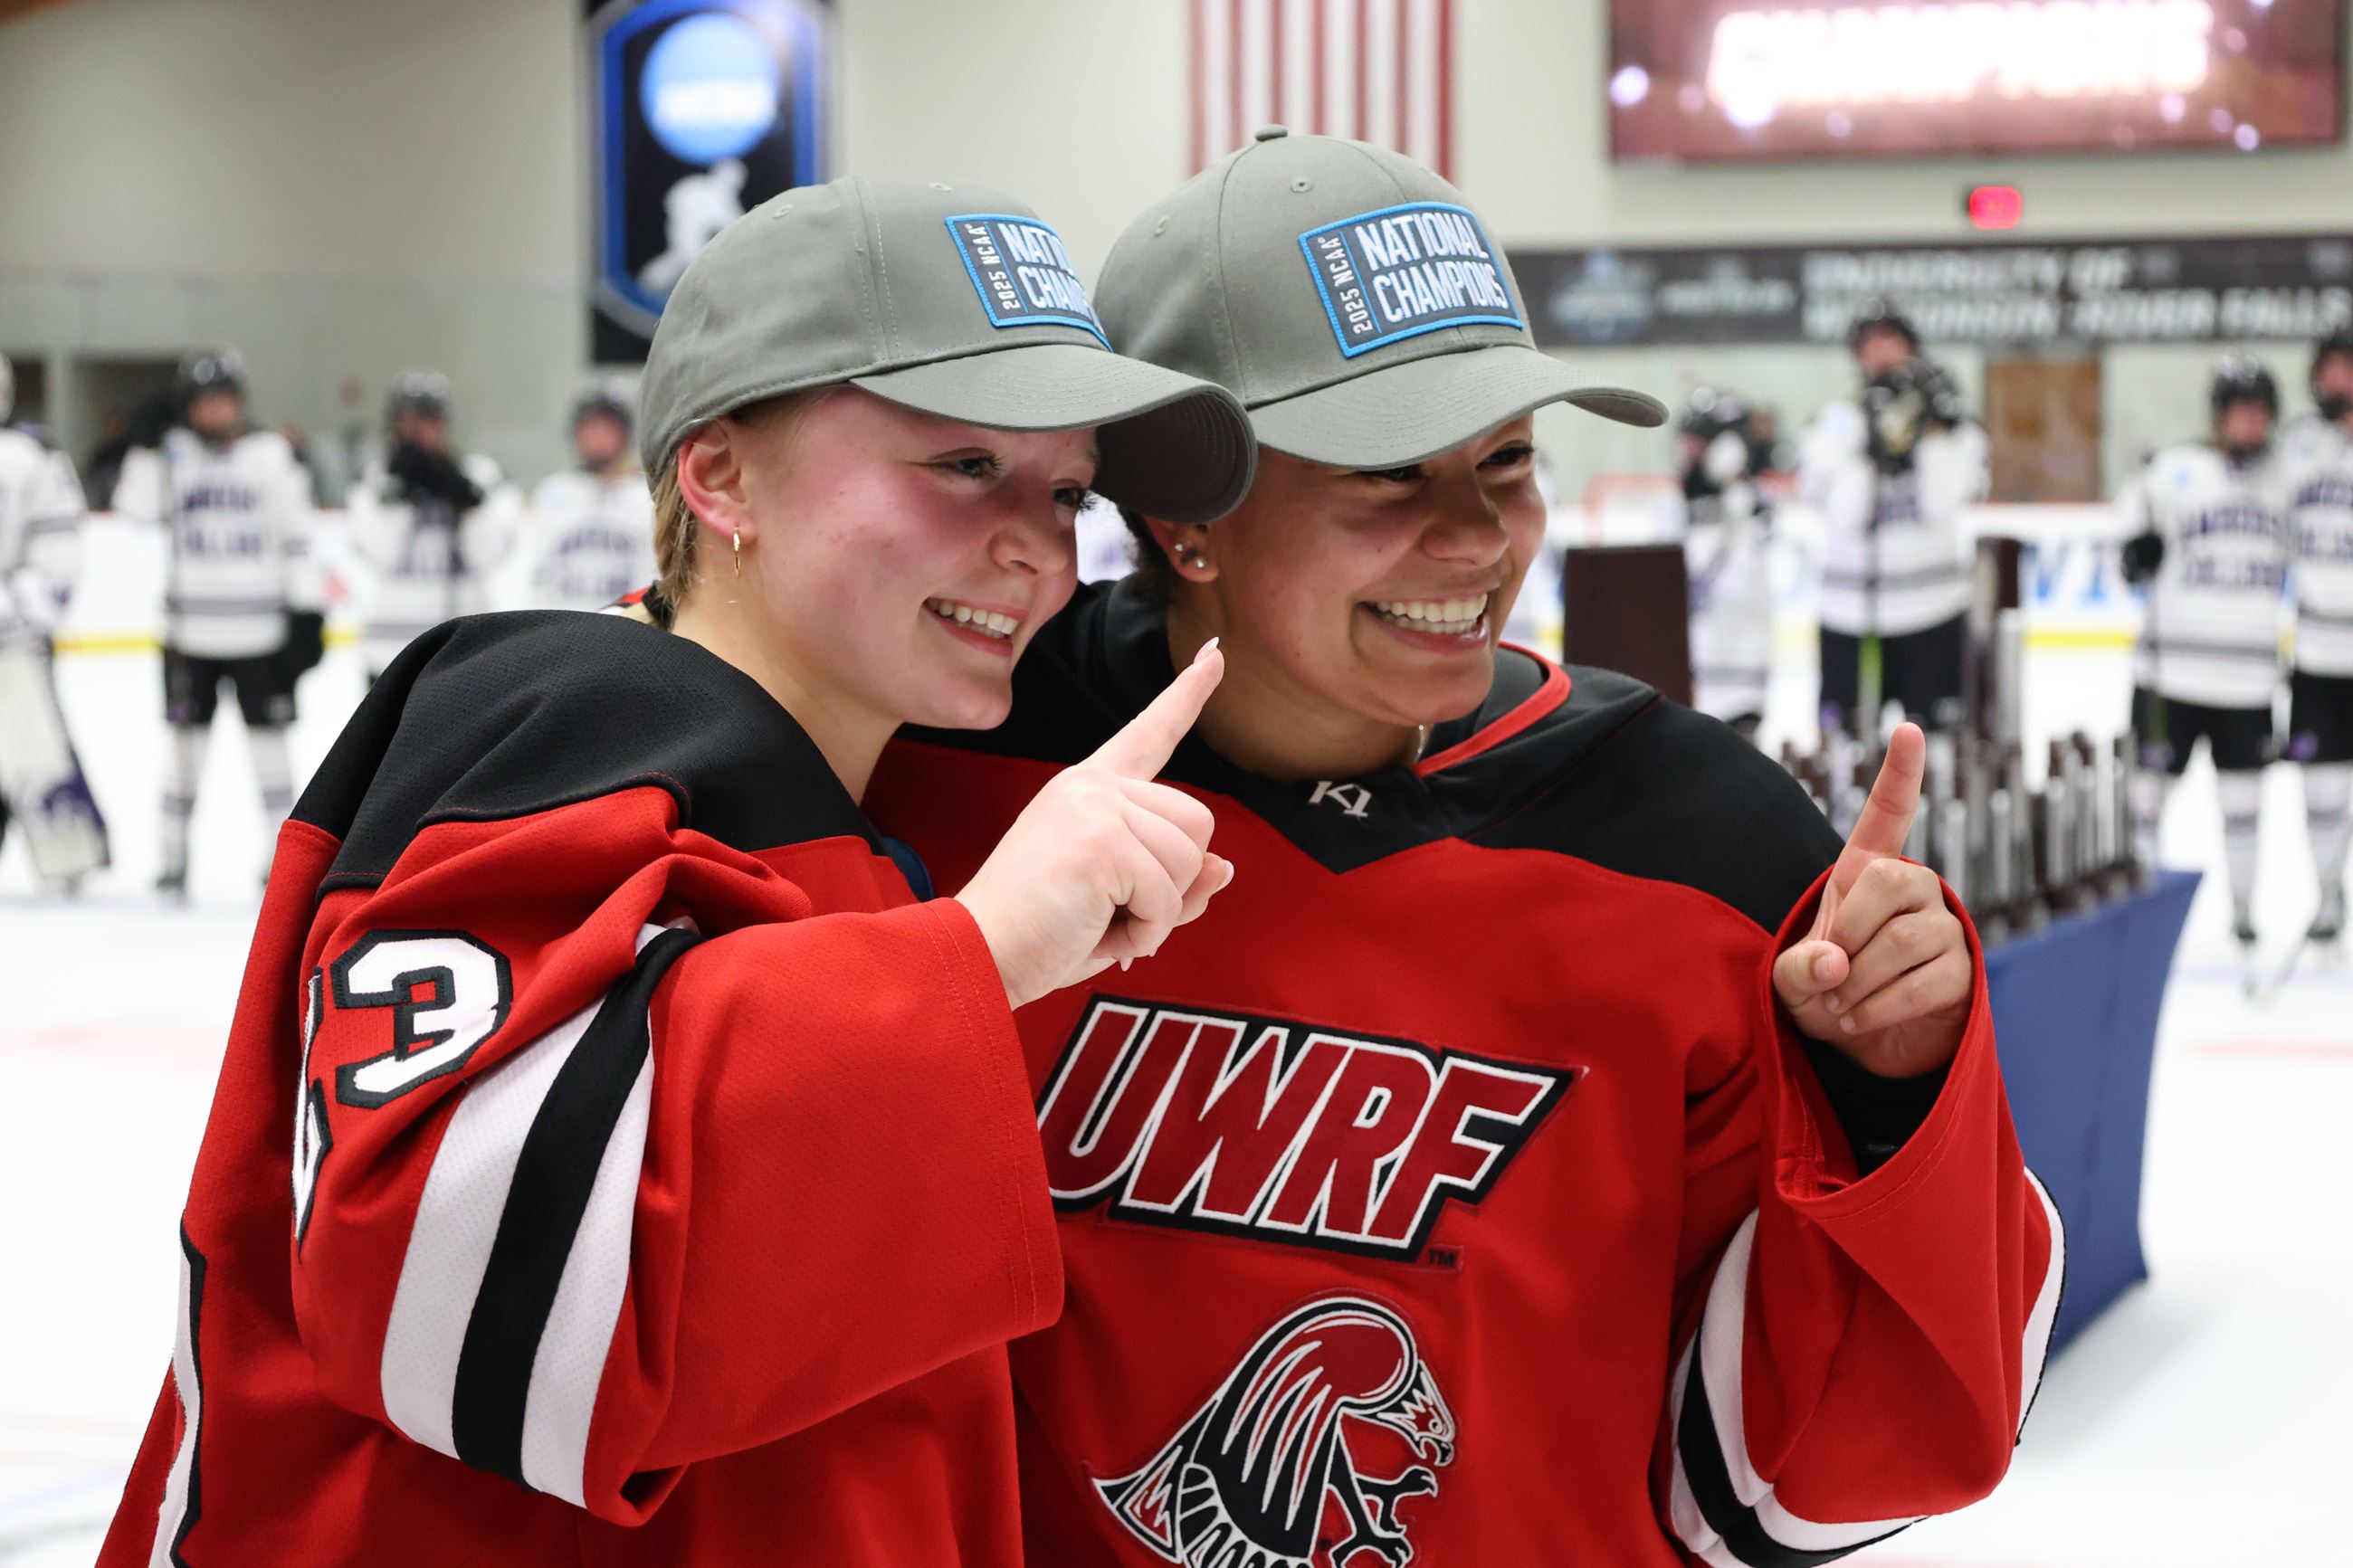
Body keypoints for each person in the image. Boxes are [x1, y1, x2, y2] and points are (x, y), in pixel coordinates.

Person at [868, 131, 2059, 1568]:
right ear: (1184, 514)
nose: (1477, 536)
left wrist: (1888, 1096)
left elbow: (1805, 1484)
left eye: (1507, 461)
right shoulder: (934, 758)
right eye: (1385, 472)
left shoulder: (1700, 847)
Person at [97, 176, 1256, 1567]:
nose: (1038, 544)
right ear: (717, 478)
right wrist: (974, 956)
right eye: (962, 464)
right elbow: (449, 1295)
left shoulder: (843, 796)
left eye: (1067, 490)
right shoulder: (553, 727)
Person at [112, 350, 323, 898]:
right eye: (204, 402)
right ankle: (172, 857)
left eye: (223, 399)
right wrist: (141, 447)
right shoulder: (172, 454)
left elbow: (296, 536)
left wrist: (307, 610)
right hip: (189, 636)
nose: (215, 411)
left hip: (260, 633)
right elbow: (134, 511)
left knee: (269, 751)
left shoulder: (269, 454)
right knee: (184, 752)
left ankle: (282, 860)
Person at [2120, 356, 2292, 953]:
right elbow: (2129, 532)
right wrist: (2134, 549)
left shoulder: (2286, 479)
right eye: (2237, 409)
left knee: (2244, 805)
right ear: (2219, 415)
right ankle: (2137, 897)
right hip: (2170, 678)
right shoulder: (2173, 472)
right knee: (2146, 798)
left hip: (2247, 682)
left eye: (2258, 411)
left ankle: (2243, 911)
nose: (2248, 422)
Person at [1805, 353, 1985, 736]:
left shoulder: (1955, 433)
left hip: (1933, 613)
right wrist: (1871, 452)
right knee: (1846, 745)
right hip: (1851, 615)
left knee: (1935, 745)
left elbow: (1941, 505)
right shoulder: (1839, 422)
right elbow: (1845, 515)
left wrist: (1929, 438)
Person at [0, 350, 110, 891]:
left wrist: (19, 606)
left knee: (32, 749)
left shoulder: (30, 457)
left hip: (13, 643)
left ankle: (68, 856)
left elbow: (60, 557)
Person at [346, 372, 521, 678]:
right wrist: (400, 492)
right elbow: (380, 554)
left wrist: (466, 503)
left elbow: (490, 555)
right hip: (390, 650)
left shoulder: (480, 475)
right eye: (409, 421)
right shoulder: (373, 480)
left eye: (429, 420)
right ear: (394, 425)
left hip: (464, 650)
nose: (420, 431)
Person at [2282, 328, 2353, 944]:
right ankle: (2329, 896)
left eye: (2347, 370)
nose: (2338, 383)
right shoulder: (2299, 445)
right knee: (2322, 786)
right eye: (2329, 371)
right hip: (2317, 655)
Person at [1678, 385, 1776, 739]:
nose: (1687, 454)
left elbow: (1735, 580)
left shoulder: (1754, 506)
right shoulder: (1678, 505)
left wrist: (1731, 486)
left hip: (1738, 678)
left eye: (1697, 443)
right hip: (1689, 676)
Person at [527, 385, 657, 610]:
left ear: (624, 433)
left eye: (605, 426)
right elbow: (532, 572)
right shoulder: (554, 493)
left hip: (626, 628)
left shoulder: (648, 496)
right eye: (588, 426)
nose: (595, 435)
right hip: (562, 626)